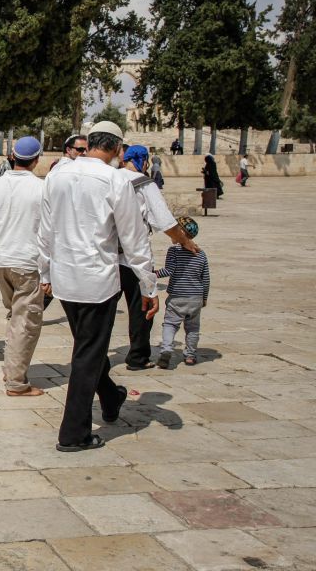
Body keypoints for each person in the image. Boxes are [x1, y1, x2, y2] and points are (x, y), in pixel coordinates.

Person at [38, 121, 157, 452]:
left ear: (88, 144)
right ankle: (73, 433)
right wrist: (149, 286)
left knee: (87, 348)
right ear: (119, 149)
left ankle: (110, 396)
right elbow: (134, 239)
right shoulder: (115, 180)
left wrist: (45, 273)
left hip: (64, 278)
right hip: (97, 280)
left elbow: (44, 230)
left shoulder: (57, 176)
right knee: (87, 354)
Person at [117, 145, 199, 370]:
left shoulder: (111, 178)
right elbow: (165, 221)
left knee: (104, 310)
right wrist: (185, 241)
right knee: (142, 307)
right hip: (136, 257)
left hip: (107, 257)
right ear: (143, 161)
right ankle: (137, 357)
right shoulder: (144, 183)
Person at [0, 136, 45, 396]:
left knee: (15, 316)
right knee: (25, 321)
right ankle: (16, 382)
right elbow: (48, 232)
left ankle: (11, 366)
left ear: (13, 157)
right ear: (36, 160)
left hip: (0, 260)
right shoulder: (41, 188)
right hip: (26, 262)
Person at [155, 217, 209, 368]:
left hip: (177, 297)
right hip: (196, 297)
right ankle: (190, 356)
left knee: (170, 324)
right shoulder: (201, 254)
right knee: (192, 328)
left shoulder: (174, 251)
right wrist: (204, 297)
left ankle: (166, 350)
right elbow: (205, 278)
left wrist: (153, 273)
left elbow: (169, 270)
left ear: (180, 232)